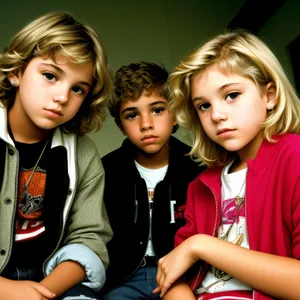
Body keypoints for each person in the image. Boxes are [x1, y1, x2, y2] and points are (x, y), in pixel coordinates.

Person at [153, 30, 300, 300]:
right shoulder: (200, 185)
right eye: (204, 106)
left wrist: (201, 245)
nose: (217, 115)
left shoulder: (294, 158)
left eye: (231, 95)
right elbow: (172, 277)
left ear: (270, 95)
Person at [0, 12, 113, 300]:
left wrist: (42, 293)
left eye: (77, 89)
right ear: (16, 71)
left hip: (49, 282)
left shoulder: (83, 153)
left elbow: (89, 238)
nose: (63, 96)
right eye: (50, 76)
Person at [100, 61, 203, 299]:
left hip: (182, 276)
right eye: (132, 115)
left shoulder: (197, 169)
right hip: (123, 278)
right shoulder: (106, 170)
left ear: (175, 114)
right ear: (121, 126)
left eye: (157, 110)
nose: (146, 124)